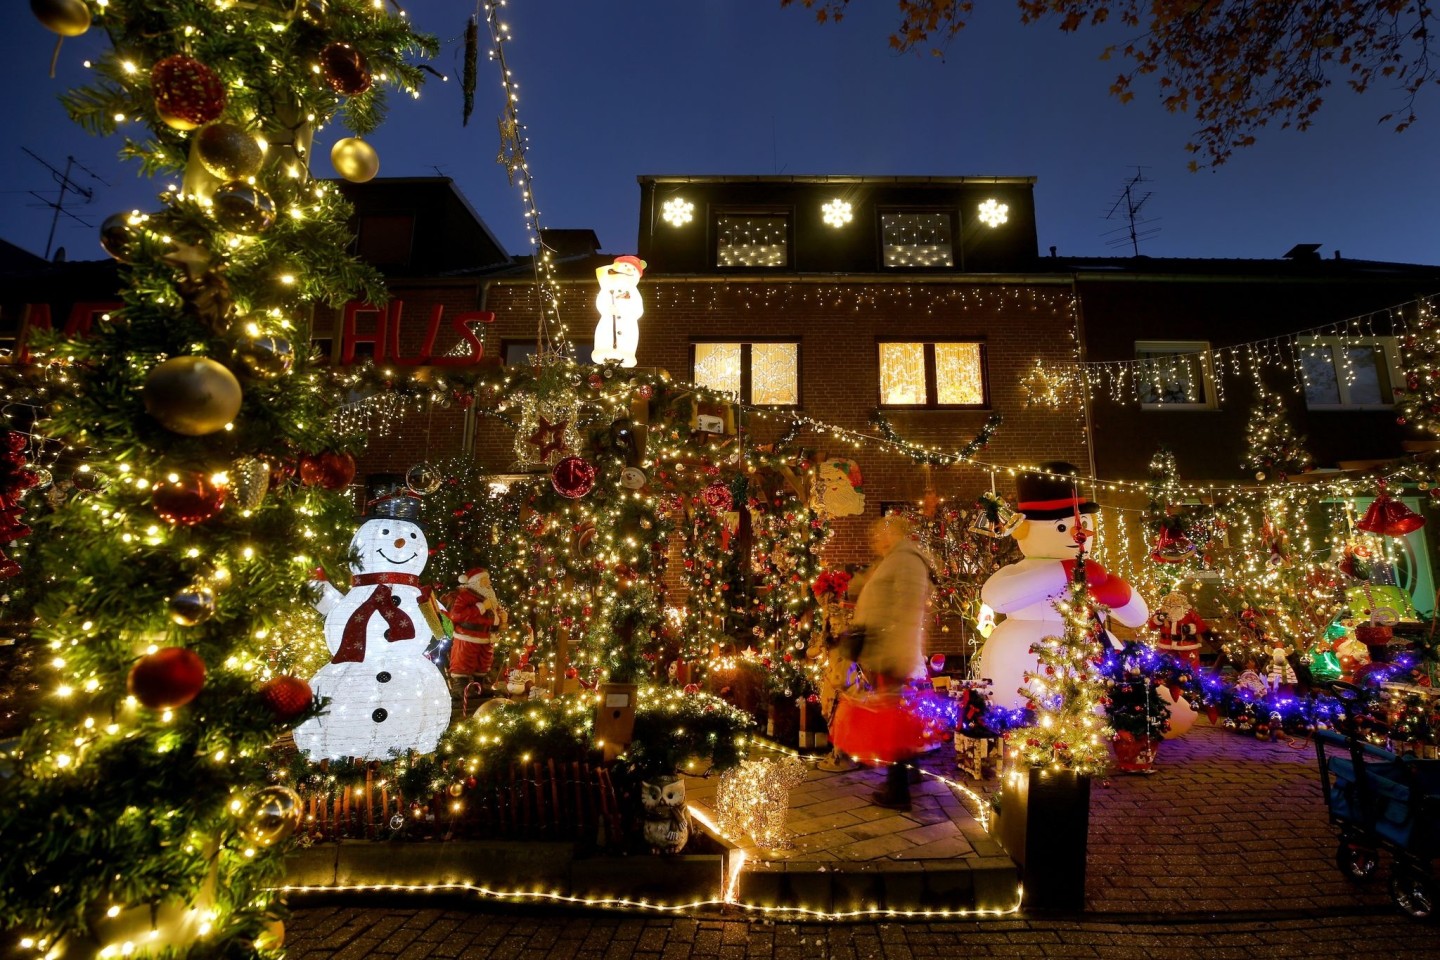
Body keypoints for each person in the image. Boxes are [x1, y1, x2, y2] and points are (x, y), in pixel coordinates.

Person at [843, 513, 933, 809]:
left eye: (882, 534)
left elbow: (904, 609)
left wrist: (889, 648)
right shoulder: (895, 559)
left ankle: (898, 791)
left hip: (891, 650)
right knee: (895, 713)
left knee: (892, 718)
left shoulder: (906, 560)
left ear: (895, 533)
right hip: (887, 648)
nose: (877, 541)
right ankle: (909, 776)